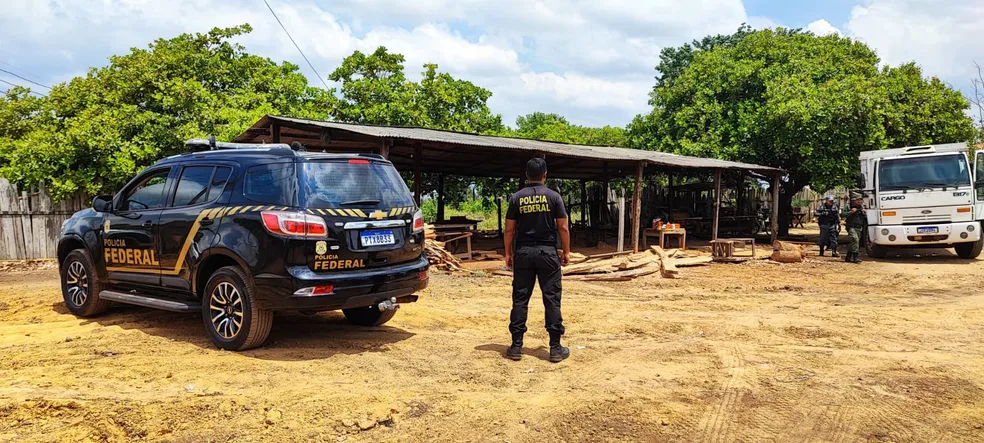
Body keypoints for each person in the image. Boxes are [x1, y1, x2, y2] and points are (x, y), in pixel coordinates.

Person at [503, 158, 571, 363]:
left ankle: (516, 347)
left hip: (523, 252)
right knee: (551, 299)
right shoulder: (554, 197)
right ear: (545, 175)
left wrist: (508, 253)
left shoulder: (516, 198)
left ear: (526, 175)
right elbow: (563, 227)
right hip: (547, 254)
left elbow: (509, 229)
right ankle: (555, 348)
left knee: (520, 299)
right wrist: (566, 251)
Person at [844, 192, 866, 263]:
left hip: (859, 227)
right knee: (855, 240)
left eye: (860, 200)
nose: (859, 201)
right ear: (854, 200)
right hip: (851, 227)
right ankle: (855, 257)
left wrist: (865, 212)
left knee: (854, 242)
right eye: (858, 200)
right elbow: (842, 214)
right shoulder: (848, 206)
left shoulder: (862, 207)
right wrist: (851, 212)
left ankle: (848, 257)